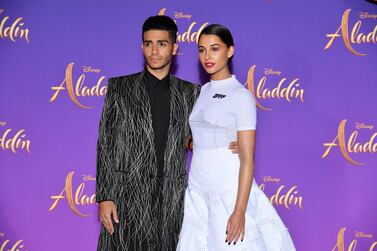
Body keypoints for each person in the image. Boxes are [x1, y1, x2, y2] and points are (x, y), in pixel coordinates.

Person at [96, 16, 238, 251]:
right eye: (148, 43)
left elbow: (198, 139)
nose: (154, 50)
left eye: (161, 43)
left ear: (174, 48)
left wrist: (230, 143)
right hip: (126, 199)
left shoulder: (191, 93)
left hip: (173, 202)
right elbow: (106, 144)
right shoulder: (120, 88)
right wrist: (105, 196)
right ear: (142, 46)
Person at [176, 24, 296, 251]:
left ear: (229, 51)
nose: (207, 56)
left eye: (214, 49)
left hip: (228, 188)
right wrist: (198, 144)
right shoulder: (202, 92)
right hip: (198, 187)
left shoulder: (241, 96)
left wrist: (239, 211)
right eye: (202, 50)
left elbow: (248, 160)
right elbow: (198, 134)